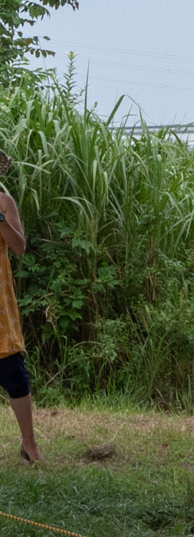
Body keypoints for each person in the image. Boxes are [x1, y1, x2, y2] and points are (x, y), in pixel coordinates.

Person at [0, 175, 43, 462]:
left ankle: (29, 444)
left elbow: (20, 247)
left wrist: (0, 219)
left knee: (14, 374)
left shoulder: (5, 202)